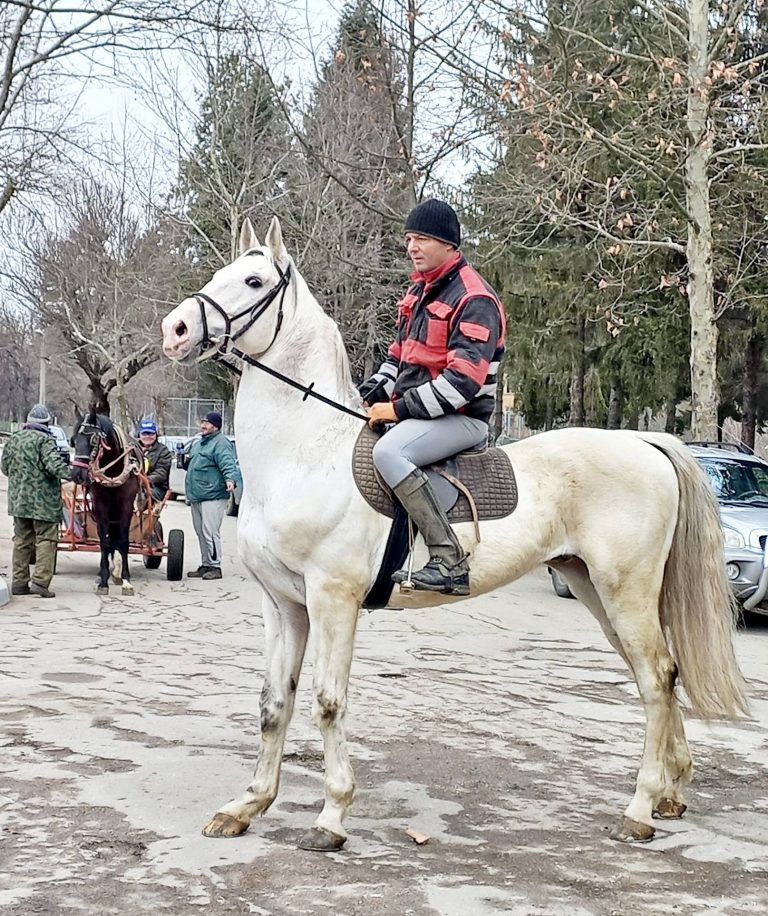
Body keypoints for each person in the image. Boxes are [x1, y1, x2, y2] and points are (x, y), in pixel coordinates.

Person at [361, 199, 506, 596]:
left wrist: (396, 408)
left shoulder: (475, 299)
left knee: (389, 453)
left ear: (449, 244)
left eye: (422, 238)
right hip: (422, 415)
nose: (412, 246)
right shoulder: (418, 291)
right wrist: (371, 391)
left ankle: (448, 559)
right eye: (409, 238)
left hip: (461, 417)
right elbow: (398, 356)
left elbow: (462, 382)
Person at [0, 404, 73, 598]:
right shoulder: (45, 440)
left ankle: (19, 583)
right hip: (44, 503)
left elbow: (4, 468)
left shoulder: (13, 440)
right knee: (46, 540)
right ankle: (40, 582)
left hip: (19, 502)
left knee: (22, 541)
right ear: (46, 423)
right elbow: (54, 466)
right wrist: (74, 474)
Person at [185, 411, 241, 580]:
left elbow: (227, 462)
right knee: (200, 532)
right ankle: (205, 564)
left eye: (207, 423)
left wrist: (230, 479)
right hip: (197, 494)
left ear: (215, 425)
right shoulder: (200, 442)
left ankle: (215, 566)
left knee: (210, 532)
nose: (203, 426)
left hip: (213, 495)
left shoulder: (221, 443)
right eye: (202, 422)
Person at [137, 418, 172, 503]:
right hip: (134, 485)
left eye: (151, 433)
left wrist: (144, 480)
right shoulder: (133, 449)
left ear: (156, 435)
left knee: (140, 496)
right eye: (144, 433)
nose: (147, 436)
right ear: (139, 435)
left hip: (155, 487)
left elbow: (161, 473)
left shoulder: (163, 451)